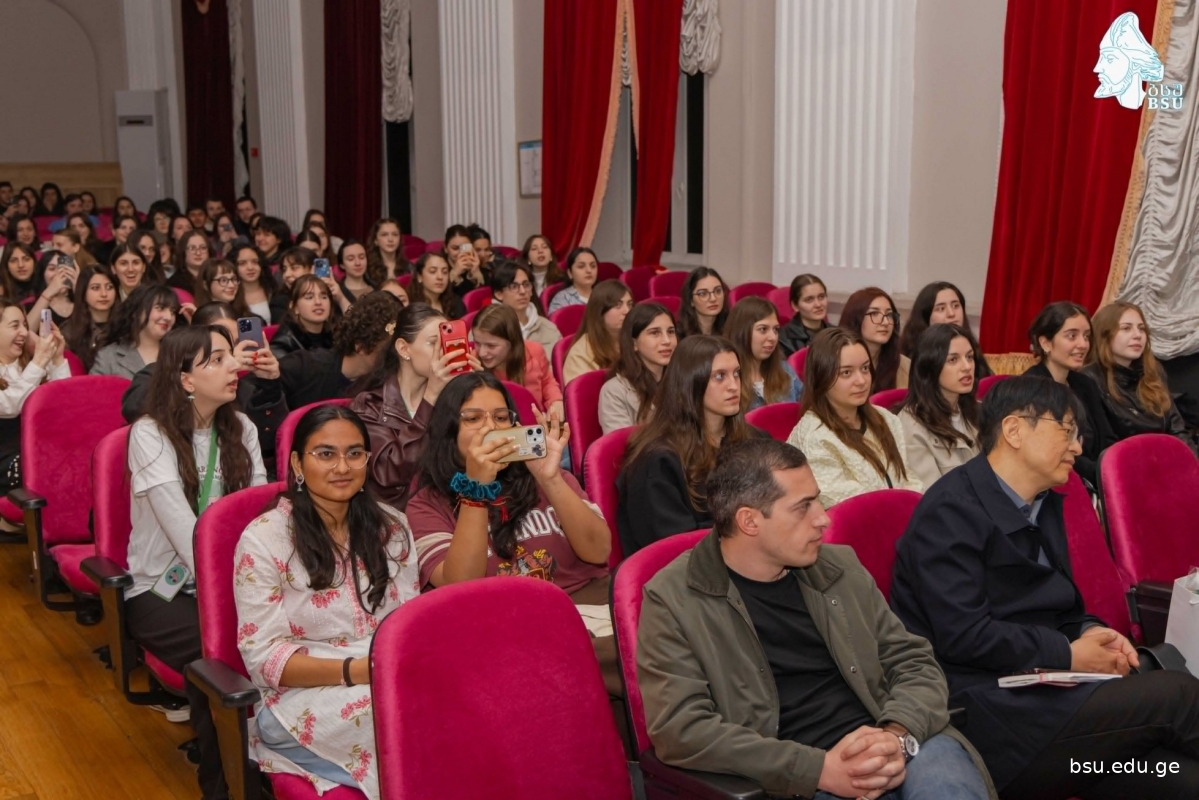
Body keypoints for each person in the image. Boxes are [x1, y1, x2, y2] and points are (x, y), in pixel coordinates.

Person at [890, 376, 1199, 798]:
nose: (1078, 447)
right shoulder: (949, 511)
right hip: (995, 716)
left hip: (1055, 704)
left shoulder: (1042, 500)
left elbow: (1060, 606)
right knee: (1177, 695)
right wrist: (1068, 653)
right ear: (1015, 430)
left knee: (1176, 777)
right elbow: (963, 635)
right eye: (1067, 430)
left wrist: (1091, 632)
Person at [638, 439, 996, 800]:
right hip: (793, 780)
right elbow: (682, 730)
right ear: (749, 521)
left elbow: (913, 661)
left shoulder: (838, 567)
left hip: (896, 741)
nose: (823, 518)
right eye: (802, 507)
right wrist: (817, 770)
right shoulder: (674, 600)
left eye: (817, 500)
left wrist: (897, 732)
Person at [234, 404, 418, 798]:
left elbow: (410, 626)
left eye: (355, 453)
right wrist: (358, 671)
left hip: (389, 677)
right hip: (298, 699)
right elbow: (263, 659)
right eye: (326, 454)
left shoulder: (392, 526)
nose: (342, 467)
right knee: (407, 725)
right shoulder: (265, 539)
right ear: (297, 463)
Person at [404, 374, 619, 702]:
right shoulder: (427, 503)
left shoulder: (545, 474)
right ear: (449, 430)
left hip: (589, 608)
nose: (490, 428)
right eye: (473, 418)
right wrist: (476, 489)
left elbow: (598, 551)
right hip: (510, 625)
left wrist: (550, 479)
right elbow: (461, 586)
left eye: (501, 417)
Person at [125, 325, 267, 800]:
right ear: (186, 379)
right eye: (217, 360)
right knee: (218, 657)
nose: (234, 367)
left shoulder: (241, 428)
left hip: (235, 582)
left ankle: (267, 766)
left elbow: (260, 518)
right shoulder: (150, 434)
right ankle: (226, 786)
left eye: (231, 357)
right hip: (160, 590)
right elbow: (187, 537)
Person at [618, 335, 762, 556]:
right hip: (694, 567)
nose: (734, 386)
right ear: (690, 383)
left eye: (736, 373)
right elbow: (673, 548)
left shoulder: (755, 439)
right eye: (720, 376)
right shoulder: (656, 462)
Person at [244, 292, 398, 472]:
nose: (396, 357)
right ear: (361, 347)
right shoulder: (305, 366)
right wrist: (269, 386)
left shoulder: (388, 383)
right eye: (388, 350)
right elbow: (249, 391)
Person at [351, 303, 482, 509]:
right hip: (398, 514)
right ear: (404, 349)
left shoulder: (451, 399)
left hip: (454, 505)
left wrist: (478, 394)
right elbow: (388, 474)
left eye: (445, 343)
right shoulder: (370, 406)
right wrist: (430, 397)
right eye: (433, 343)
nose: (443, 353)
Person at [787, 328, 921, 508]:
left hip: (903, 516)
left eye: (865, 368)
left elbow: (907, 478)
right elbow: (850, 506)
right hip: (858, 522)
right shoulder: (815, 437)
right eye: (846, 373)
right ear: (822, 377)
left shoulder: (886, 418)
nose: (861, 381)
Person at [1083, 300, 1196, 455]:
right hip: (1121, 464)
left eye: (1141, 329)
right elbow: (1102, 445)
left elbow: (1176, 429)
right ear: (1105, 335)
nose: (1137, 335)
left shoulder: (1153, 372)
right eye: (1126, 328)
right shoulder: (1089, 379)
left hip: (1164, 460)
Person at [1023, 302, 1116, 485]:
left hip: (1097, 480)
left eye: (1086, 336)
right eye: (1072, 336)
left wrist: (1114, 470)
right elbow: (1054, 452)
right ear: (1045, 343)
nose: (1083, 344)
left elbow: (1107, 438)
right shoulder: (1031, 389)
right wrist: (1104, 476)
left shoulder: (1086, 384)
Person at [0, 298, 70, 506]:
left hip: (38, 453)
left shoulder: (30, 367)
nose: (24, 332)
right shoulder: (35, 367)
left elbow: (65, 405)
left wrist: (56, 359)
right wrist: (39, 361)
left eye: (25, 325)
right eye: (15, 326)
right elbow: (9, 406)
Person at [898, 324, 982, 489]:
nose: (967, 367)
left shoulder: (980, 411)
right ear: (930, 367)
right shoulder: (912, 426)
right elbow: (932, 495)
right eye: (953, 360)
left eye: (969, 357)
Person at [470, 303, 563, 419]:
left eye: (491, 346)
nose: (482, 353)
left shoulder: (535, 351)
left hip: (534, 422)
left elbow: (547, 381)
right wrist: (474, 378)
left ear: (511, 342)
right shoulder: (472, 363)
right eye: (477, 343)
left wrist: (555, 400)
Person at [599, 302, 677, 434]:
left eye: (670, 332)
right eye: (655, 333)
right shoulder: (614, 391)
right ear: (634, 343)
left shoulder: (683, 379)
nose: (667, 340)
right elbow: (621, 444)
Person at [899, 281, 993, 379]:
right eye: (941, 309)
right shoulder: (910, 361)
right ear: (925, 317)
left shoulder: (971, 347)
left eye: (956, 306)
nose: (951, 313)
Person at [725, 296, 803, 410]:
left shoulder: (785, 370)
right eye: (763, 329)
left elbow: (807, 408)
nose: (773, 337)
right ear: (741, 333)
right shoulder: (726, 381)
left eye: (775, 329)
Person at [91, 284, 180, 379]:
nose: (168, 317)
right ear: (136, 311)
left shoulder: (179, 354)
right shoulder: (109, 357)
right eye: (160, 308)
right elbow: (92, 388)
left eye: (172, 311)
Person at [562, 280, 633, 385]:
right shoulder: (580, 354)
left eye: (630, 304)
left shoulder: (636, 340)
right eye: (618, 305)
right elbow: (581, 392)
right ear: (600, 311)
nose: (627, 311)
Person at [840, 287, 909, 391]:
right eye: (874, 314)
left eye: (889, 315)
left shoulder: (904, 366)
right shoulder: (835, 361)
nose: (885, 322)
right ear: (856, 318)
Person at [490, 261, 561, 349]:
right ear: (499, 294)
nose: (523, 291)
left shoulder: (548, 328)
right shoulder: (487, 328)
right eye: (514, 286)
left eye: (526, 285)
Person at [62, 265, 118, 372]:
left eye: (109, 287)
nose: (104, 294)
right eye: (95, 288)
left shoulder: (126, 325)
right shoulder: (70, 331)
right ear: (83, 292)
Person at [270, 275, 334, 358]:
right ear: (295, 307)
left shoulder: (336, 335)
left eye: (324, 297)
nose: (318, 302)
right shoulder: (282, 344)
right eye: (309, 297)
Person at [778, 274, 830, 357]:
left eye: (821, 297)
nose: (818, 304)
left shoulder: (837, 333)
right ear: (795, 305)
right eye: (809, 300)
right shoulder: (783, 340)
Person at [26, 250, 79, 329]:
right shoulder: (32, 306)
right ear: (42, 274)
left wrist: (79, 289)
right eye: (52, 268)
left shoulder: (80, 301)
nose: (59, 274)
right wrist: (50, 291)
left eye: (63, 268)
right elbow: (27, 331)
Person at [407, 252, 465, 319]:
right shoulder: (409, 307)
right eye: (433, 271)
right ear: (419, 277)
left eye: (445, 272)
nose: (440, 277)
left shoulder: (455, 303)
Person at [676, 267, 730, 339]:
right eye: (703, 294)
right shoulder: (679, 335)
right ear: (691, 300)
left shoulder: (731, 329)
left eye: (718, 291)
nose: (713, 298)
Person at [547, 247, 599, 314]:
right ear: (570, 273)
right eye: (581, 266)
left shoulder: (604, 296)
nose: (589, 270)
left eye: (593, 266)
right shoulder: (562, 298)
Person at [271, 247, 316, 322]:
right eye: (284, 269)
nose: (286, 275)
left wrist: (337, 297)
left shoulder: (329, 295)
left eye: (294, 268)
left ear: (313, 270)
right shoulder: (279, 303)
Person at [233, 244, 276, 323]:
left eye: (255, 262)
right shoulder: (231, 296)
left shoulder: (273, 291)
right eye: (242, 263)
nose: (250, 267)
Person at [444, 224, 488, 297]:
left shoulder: (480, 266)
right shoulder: (440, 267)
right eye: (455, 248)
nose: (460, 253)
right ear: (446, 248)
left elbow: (485, 298)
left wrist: (475, 273)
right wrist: (455, 274)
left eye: (465, 248)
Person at [168, 229, 213, 294]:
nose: (198, 253)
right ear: (183, 252)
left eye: (203, 248)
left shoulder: (216, 278)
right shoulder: (174, 284)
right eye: (192, 248)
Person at [365, 218, 406, 284]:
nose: (390, 239)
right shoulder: (366, 269)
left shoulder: (409, 268)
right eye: (384, 235)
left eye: (395, 234)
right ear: (375, 240)